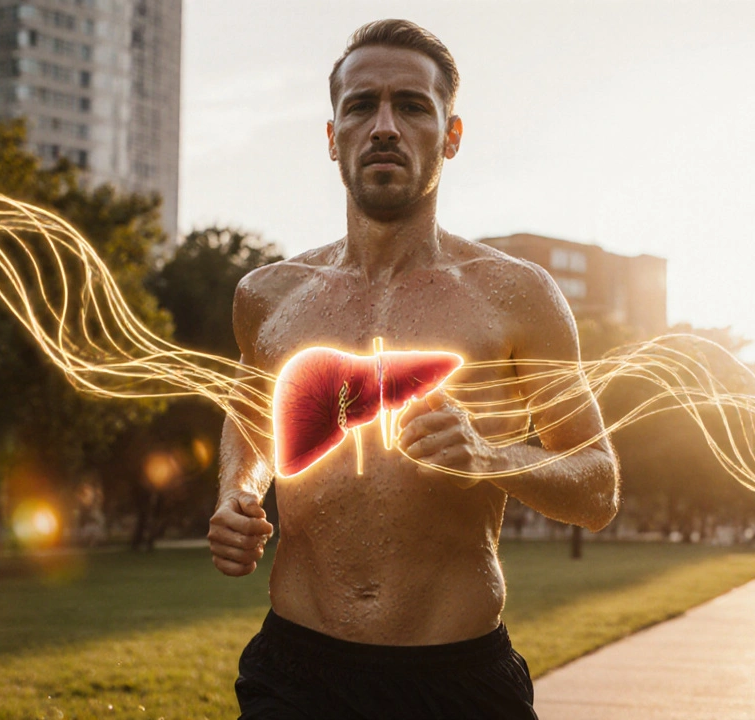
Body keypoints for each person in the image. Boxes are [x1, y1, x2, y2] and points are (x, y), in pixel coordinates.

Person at [207, 19, 620, 719]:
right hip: (296, 675)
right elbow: (252, 420)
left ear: (451, 136)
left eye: (412, 106)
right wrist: (236, 494)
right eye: (361, 106)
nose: (384, 127)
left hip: (457, 680)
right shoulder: (269, 295)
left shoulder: (515, 295)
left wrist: (491, 457)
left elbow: (598, 487)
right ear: (333, 136)